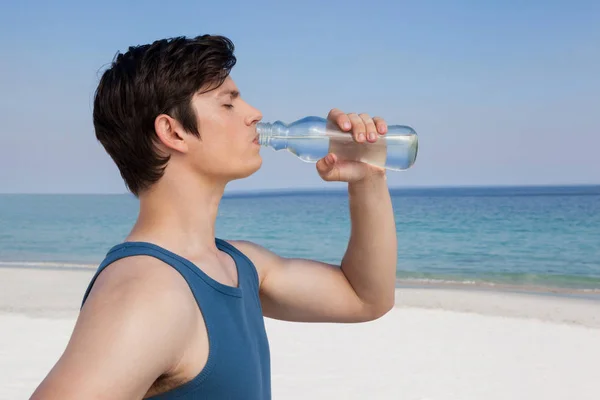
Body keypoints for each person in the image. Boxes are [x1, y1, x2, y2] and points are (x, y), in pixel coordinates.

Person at [31, 34, 397, 400]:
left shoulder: (241, 265)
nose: (254, 114)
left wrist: (367, 177)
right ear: (172, 131)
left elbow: (365, 296)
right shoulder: (148, 291)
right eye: (228, 104)